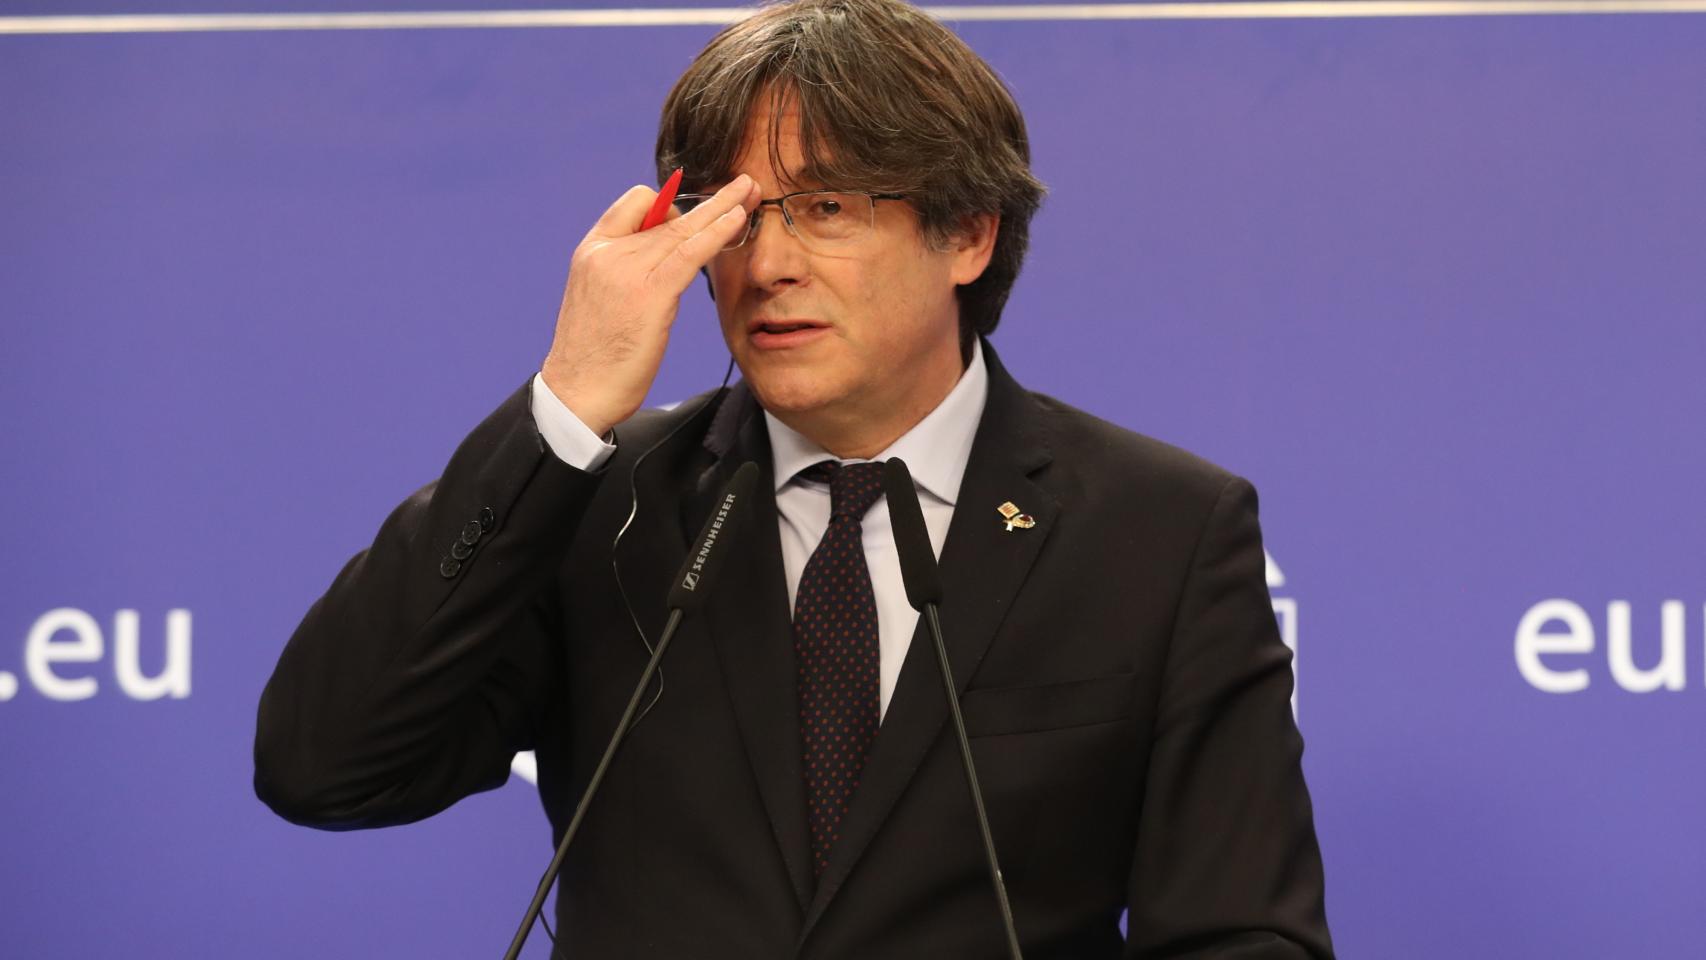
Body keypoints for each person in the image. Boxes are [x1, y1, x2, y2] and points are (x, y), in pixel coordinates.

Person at [254, 0, 1334, 955]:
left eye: (826, 209)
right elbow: (325, 766)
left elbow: (1241, 933)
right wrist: (563, 409)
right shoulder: (600, 504)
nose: (765, 267)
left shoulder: (1161, 532)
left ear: (967, 233)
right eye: (734, 218)